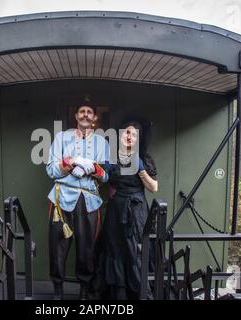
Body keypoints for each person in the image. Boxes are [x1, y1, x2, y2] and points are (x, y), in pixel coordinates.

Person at [46, 95, 109, 300]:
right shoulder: (61, 138)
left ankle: (84, 291)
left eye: (89, 112)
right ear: (76, 116)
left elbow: (107, 175)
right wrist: (70, 164)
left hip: (89, 201)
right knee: (58, 247)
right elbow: (50, 169)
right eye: (82, 111)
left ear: (94, 117)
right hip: (62, 198)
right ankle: (58, 292)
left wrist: (92, 169)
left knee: (86, 248)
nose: (85, 115)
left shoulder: (102, 142)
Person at [92, 120, 158, 300]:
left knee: (134, 250)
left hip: (136, 211)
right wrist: (95, 169)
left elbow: (153, 188)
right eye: (126, 133)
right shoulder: (112, 157)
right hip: (115, 210)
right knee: (115, 249)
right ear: (121, 136)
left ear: (138, 139)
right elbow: (102, 177)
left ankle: (139, 294)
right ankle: (118, 295)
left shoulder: (144, 158)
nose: (129, 137)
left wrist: (140, 169)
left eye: (134, 135)